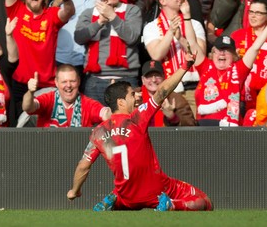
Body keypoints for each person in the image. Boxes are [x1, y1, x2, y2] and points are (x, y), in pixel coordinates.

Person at [66, 53, 213, 212]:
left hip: (128, 195)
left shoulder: (98, 132)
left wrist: (74, 191)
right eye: (131, 94)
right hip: (156, 190)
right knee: (205, 202)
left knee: (125, 195)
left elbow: (83, 166)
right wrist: (185, 66)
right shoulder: (137, 118)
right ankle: (171, 205)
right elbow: (162, 91)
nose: (136, 97)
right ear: (121, 102)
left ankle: (115, 200)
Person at [193, 10, 267, 127]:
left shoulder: (239, 69)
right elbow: (193, 44)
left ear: (234, 55)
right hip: (203, 126)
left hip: (229, 127)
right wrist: (186, 16)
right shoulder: (205, 66)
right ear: (212, 53)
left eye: (227, 51)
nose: (222, 54)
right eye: (218, 50)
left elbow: (255, 48)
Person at [75, 0, 142, 105]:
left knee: (126, 123)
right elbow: (79, 37)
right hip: (95, 81)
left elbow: (132, 37)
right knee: (96, 124)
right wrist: (99, 22)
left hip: (126, 79)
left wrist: (113, 17)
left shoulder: (132, 11)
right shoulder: (88, 14)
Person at [22, 64, 110, 127]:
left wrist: (112, 107)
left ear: (79, 81)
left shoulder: (88, 103)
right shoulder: (48, 99)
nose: (68, 85)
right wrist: (30, 92)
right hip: (48, 149)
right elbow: (27, 107)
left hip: (77, 150)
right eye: (64, 82)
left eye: (72, 81)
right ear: (56, 83)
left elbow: (105, 114)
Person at [138, 60, 196, 127]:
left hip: (166, 137)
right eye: (149, 76)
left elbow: (191, 126)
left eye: (157, 76)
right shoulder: (135, 97)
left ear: (164, 77)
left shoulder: (176, 99)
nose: (153, 80)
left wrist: (172, 117)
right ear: (142, 80)